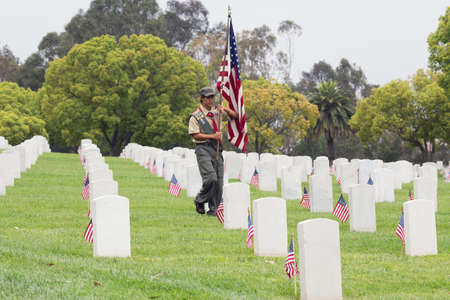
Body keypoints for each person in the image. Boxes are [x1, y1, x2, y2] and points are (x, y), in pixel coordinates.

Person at [188, 86, 238, 216]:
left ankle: (214, 210)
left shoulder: (218, 112)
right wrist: (212, 136)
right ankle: (200, 200)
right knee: (211, 178)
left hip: (217, 149)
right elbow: (195, 135)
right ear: (202, 99)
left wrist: (224, 108)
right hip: (203, 148)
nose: (211, 100)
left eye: (212, 97)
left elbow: (235, 116)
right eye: (208, 97)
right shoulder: (196, 116)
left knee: (219, 182)